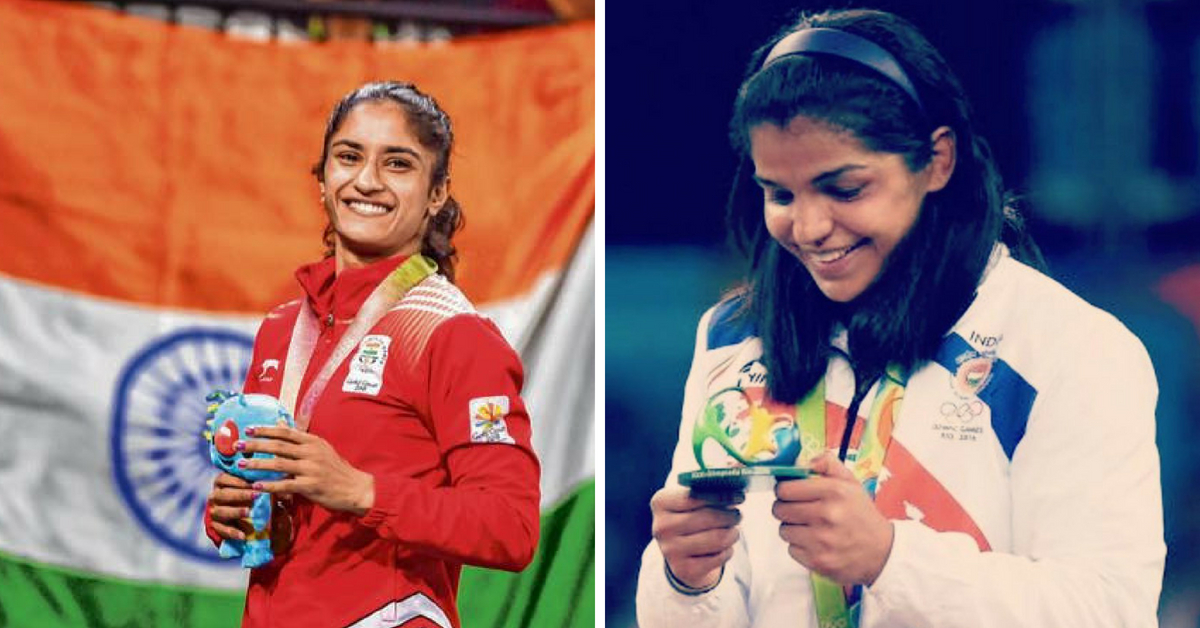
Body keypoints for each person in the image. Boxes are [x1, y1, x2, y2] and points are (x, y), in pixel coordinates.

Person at [637, 8, 1163, 628]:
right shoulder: (734, 333)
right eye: (780, 193)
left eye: (846, 189)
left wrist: (889, 560)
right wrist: (686, 578)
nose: (806, 229)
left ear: (938, 161)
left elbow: (1108, 611)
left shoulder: (1074, 348)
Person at [204, 81, 540, 628]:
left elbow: (511, 526)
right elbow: (278, 507)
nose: (367, 181)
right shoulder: (284, 328)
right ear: (322, 178)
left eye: (398, 164)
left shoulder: (451, 332)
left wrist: (360, 490)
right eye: (349, 156)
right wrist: (230, 513)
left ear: (437, 194)